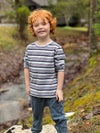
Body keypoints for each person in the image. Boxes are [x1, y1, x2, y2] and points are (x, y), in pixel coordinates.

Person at [24, 9, 68, 133]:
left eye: (44, 24)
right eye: (36, 25)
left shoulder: (56, 48)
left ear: (51, 26)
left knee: (59, 118)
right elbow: (26, 67)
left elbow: (61, 69)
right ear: (33, 29)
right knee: (36, 119)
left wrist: (59, 89)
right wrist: (28, 85)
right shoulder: (30, 48)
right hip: (36, 92)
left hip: (52, 92)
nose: (40, 27)